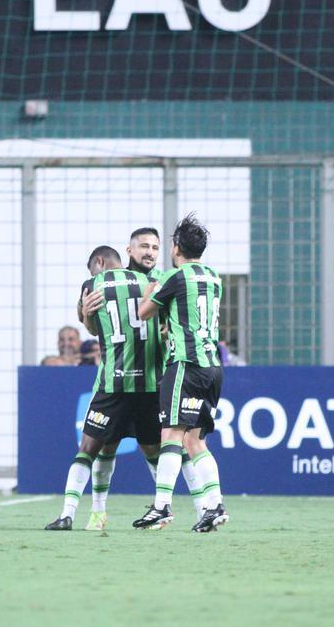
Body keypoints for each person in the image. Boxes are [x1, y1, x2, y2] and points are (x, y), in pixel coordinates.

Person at [44, 246, 168, 532]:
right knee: (153, 451)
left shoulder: (92, 285)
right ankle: (163, 509)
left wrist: (86, 314)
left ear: (99, 262)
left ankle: (73, 514)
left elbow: (90, 325)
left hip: (113, 383)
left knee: (90, 450)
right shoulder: (148, 283)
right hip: (149, 384)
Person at [134, 214, 228, 532]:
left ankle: (161, 507)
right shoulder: (215, 277)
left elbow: (143, 312)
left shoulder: (176, 277)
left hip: (185, 364)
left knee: (170, 436)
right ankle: (214, 506)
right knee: (195, 440)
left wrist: (156, 286)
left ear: (176, 248)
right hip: (213, 366)